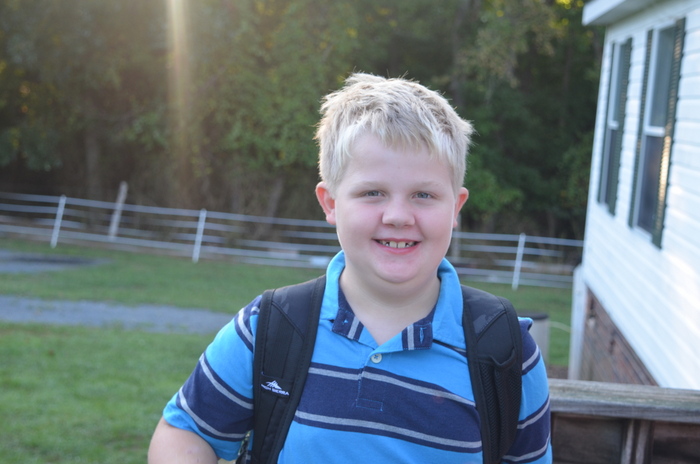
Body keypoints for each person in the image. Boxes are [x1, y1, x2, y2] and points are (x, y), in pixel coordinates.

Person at [148, 73, 552, 463]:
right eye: (372, 192)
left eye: (423, 195)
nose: (398, 216)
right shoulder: (270, 328)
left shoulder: (506, 351)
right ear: (330, 203)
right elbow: (186, 431)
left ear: (456, 208)